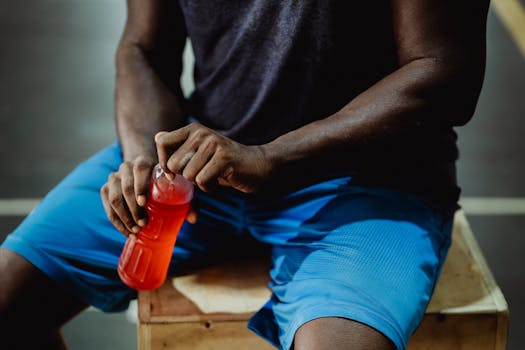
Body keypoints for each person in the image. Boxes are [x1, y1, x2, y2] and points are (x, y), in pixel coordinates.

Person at [0, 0, 490, 349]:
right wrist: (145, 161)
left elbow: (444, 71)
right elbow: (142, 47)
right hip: (204, 162)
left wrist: (272, 157)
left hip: (365, 179)